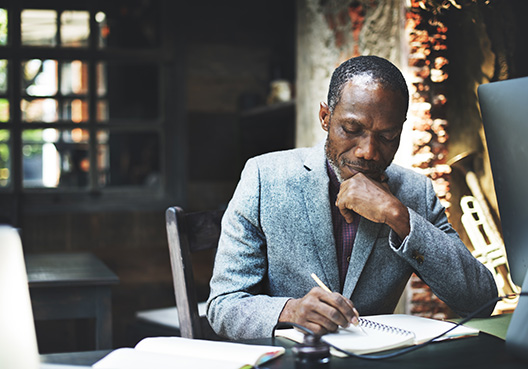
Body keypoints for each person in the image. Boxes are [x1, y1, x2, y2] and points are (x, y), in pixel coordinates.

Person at [206, 55, 498, 340]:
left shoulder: (415, 193)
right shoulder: (264, 177)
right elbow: (223, 306)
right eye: (352, 129)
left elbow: (480, 301)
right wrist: (290, 310)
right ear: (325, 117)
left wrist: (399, 216)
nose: (368, 152)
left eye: (386, 136)